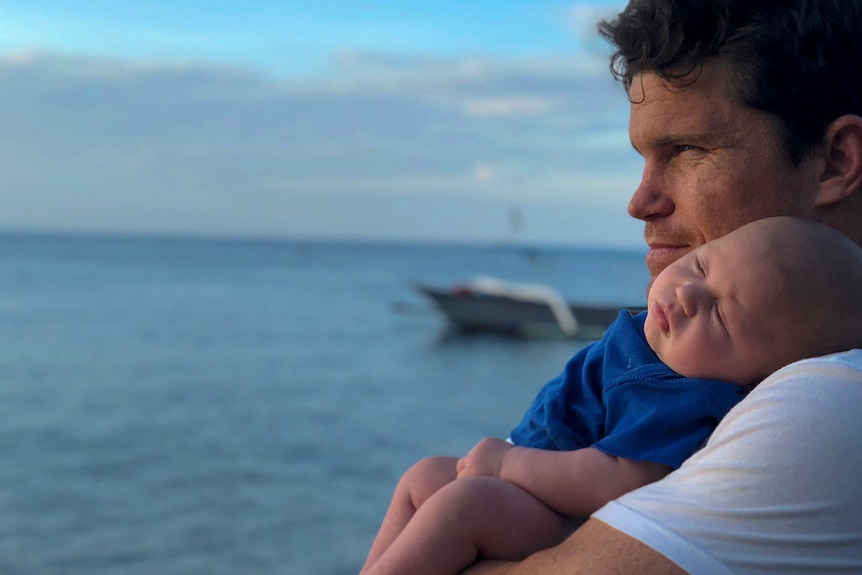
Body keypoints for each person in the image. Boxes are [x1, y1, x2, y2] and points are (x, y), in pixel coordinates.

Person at [457, 1, 862, 573]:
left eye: (686, 150)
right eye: (645, 158)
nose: (640, 202)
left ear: (834, 161)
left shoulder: (835, 399)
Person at [360, 217, 862, 575]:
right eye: (704, 267)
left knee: (465, 504)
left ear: (753, 380)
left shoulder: (686, 396)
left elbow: (616, 477)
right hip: (536, 484)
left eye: (723, 317)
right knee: (425, 474)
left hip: (567, 516)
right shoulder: (655, 345)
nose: (688, 294)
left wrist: (506, 466)